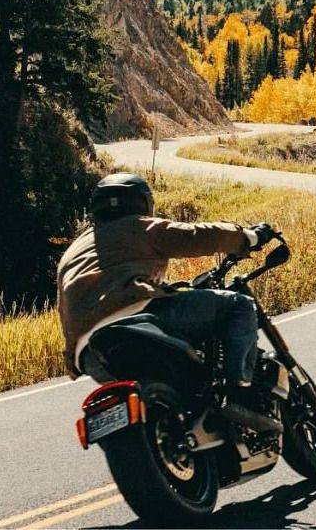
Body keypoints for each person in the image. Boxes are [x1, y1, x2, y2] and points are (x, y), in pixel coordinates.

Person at [57, 173, 277, 425]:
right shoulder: (138, 226)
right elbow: (197, 236)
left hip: (91, 354)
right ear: (142, 202)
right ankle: (239, 396)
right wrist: (249, 237)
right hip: (138, 320)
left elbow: (63, 307)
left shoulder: (71, 252)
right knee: (238, 305)